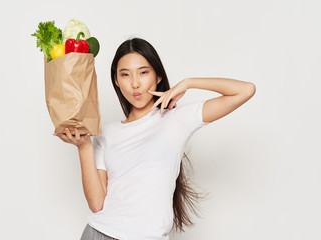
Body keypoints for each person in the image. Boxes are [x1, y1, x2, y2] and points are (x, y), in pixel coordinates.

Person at [57, 38, 256, 240]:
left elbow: (245, 90)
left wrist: (187, 83)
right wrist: (83, 147)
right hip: (100, 233)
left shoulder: (177, 119)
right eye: (125, 75)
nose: (135, 83)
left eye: (143, 72)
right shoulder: (106, 134)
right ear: (116, 81)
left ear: (158, 75)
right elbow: (97, 204)